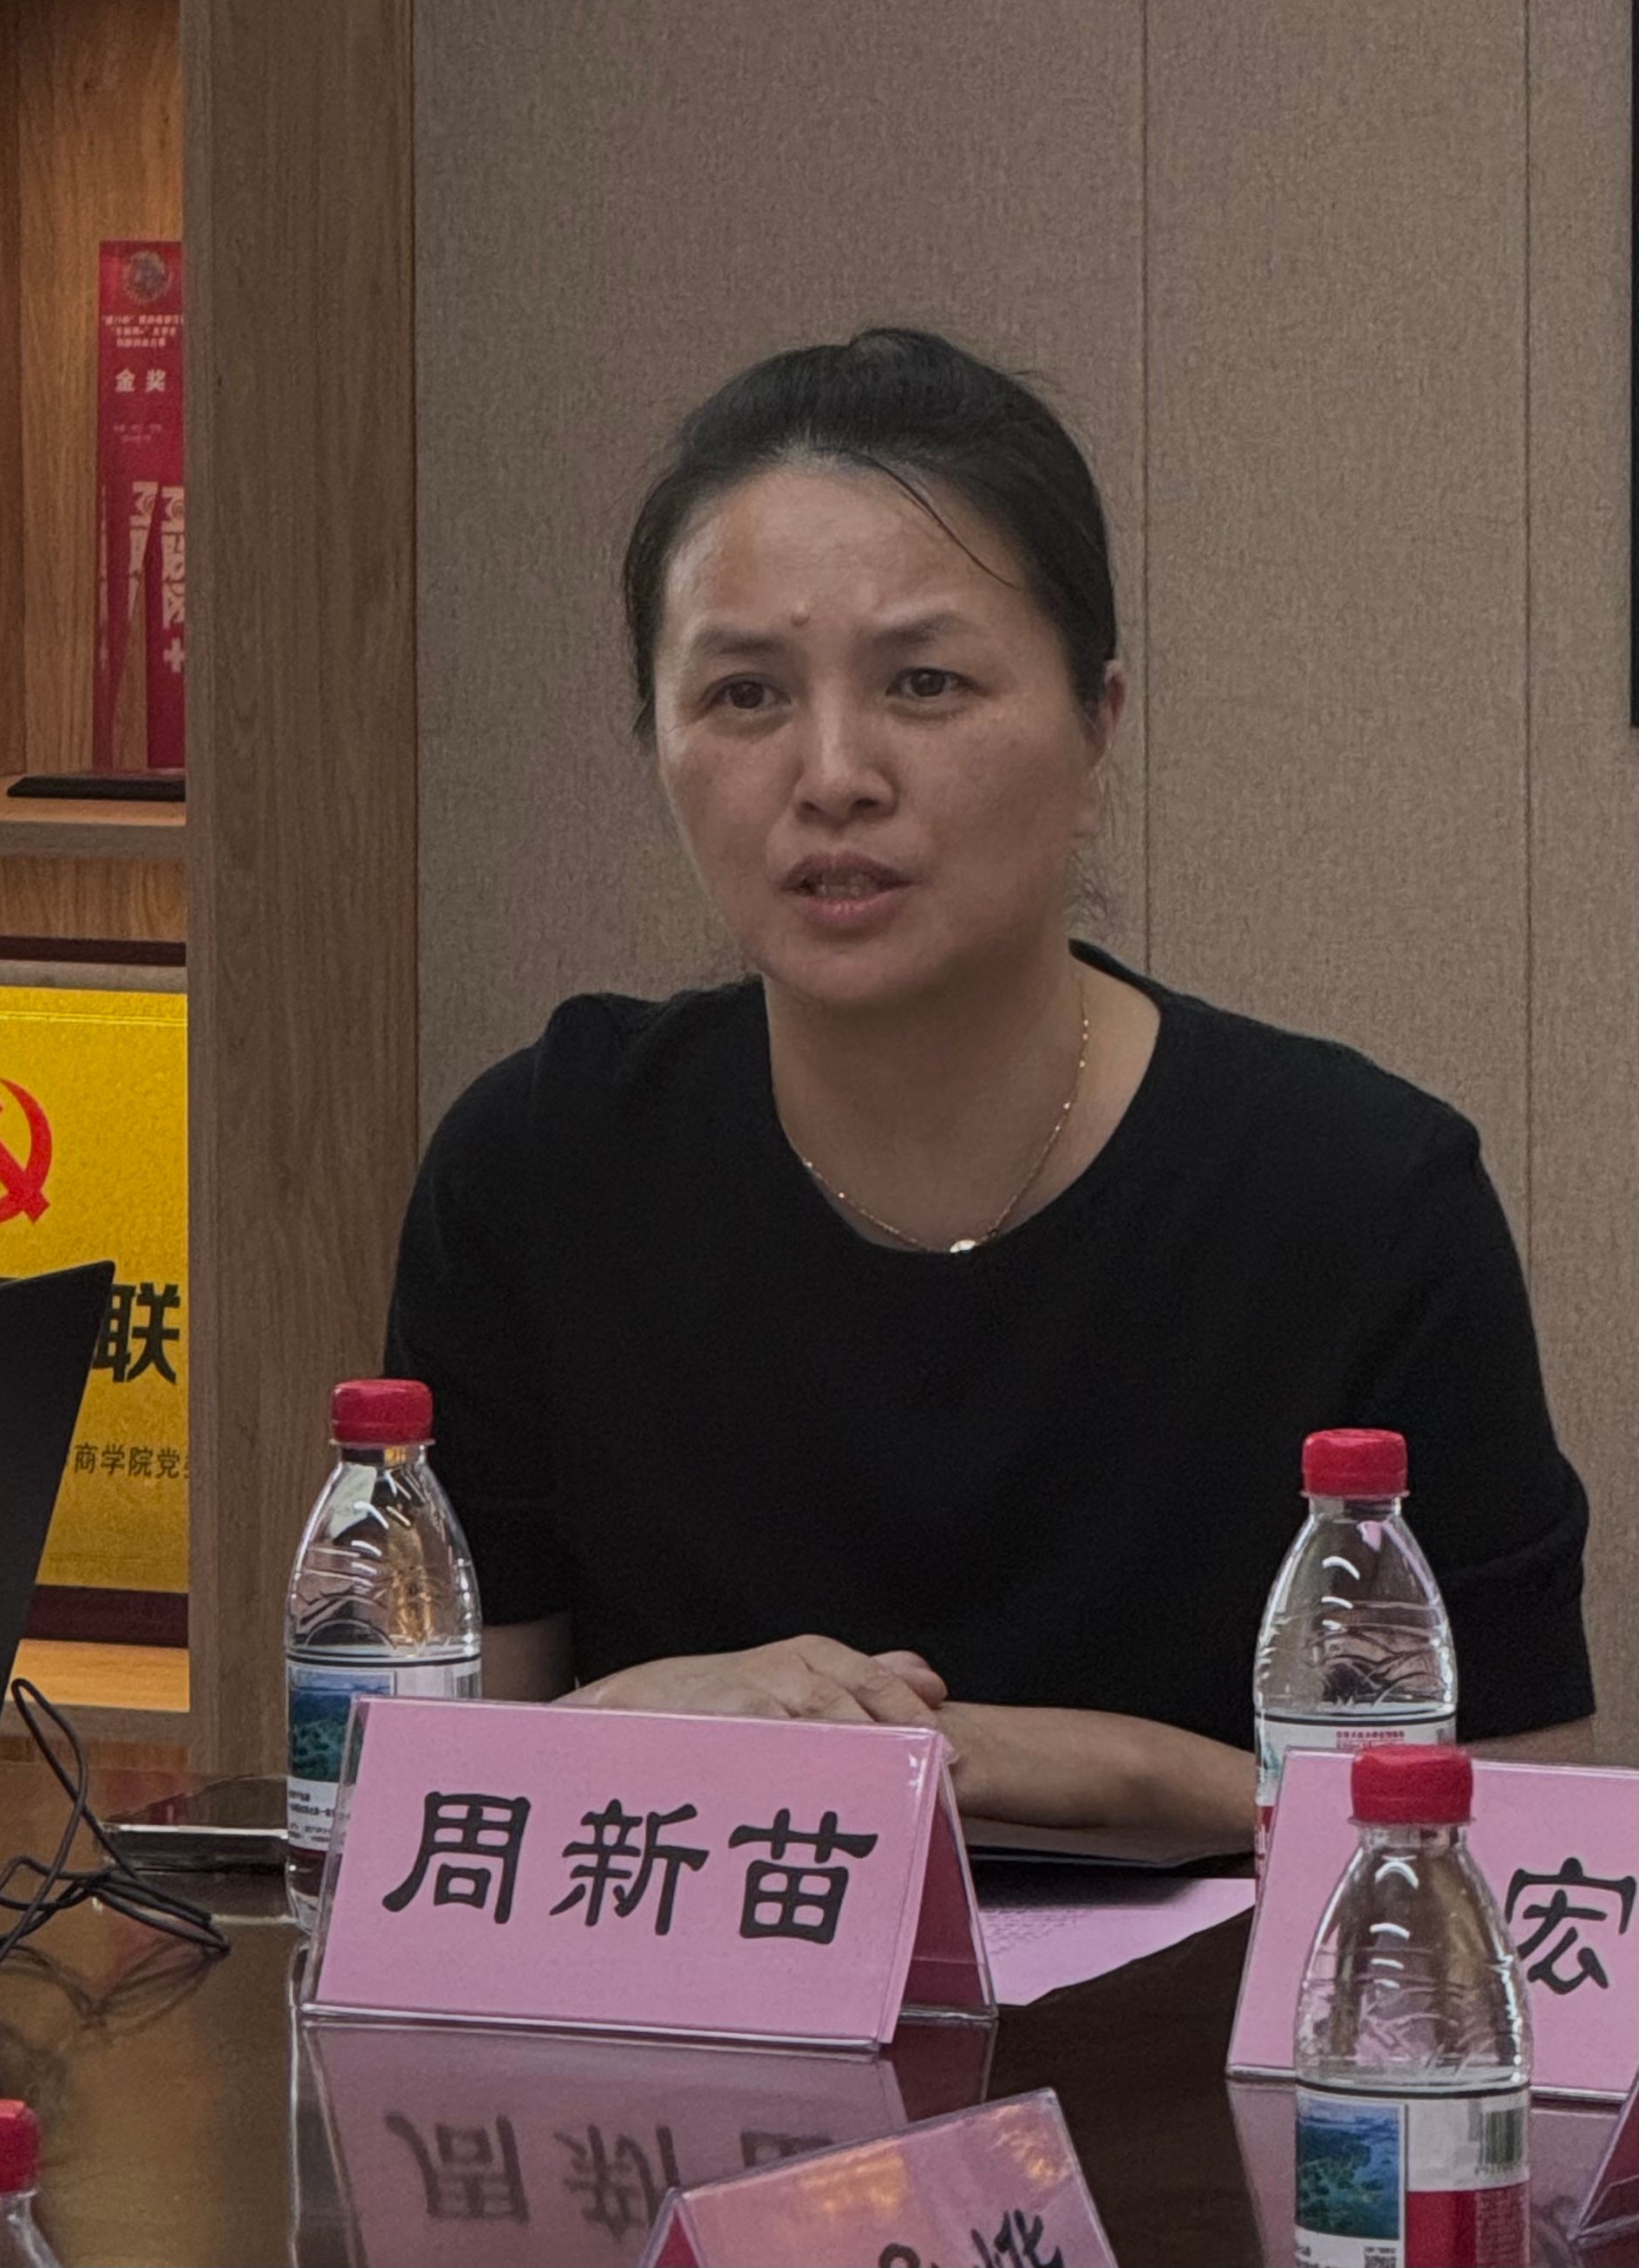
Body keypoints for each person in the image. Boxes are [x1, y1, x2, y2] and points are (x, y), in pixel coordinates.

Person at [387, 327, 1594, 1843]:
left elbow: (1534, 1860)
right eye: (746, 695)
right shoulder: (542, 1167)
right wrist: (627, 1730)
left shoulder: (1360, 1200)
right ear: (660, 743)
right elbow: (427, 1827)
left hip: (1236, 2009)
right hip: (690, 1997)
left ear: (1097, 728)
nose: (834, 772)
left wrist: (1107, 1776)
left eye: (926, 682)